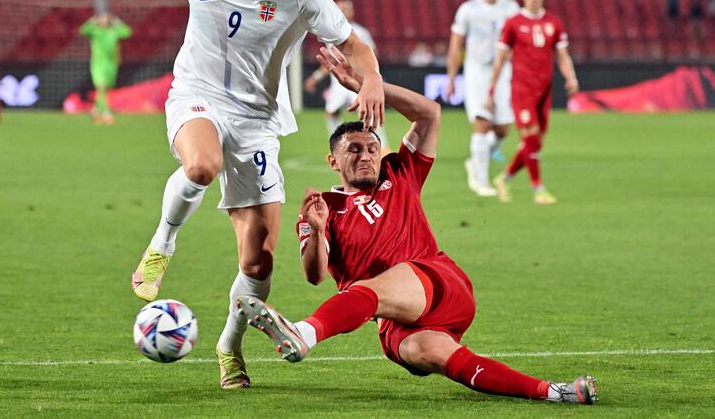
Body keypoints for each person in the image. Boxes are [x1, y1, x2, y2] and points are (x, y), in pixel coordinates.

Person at [83, 0, 385, 389]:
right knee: (201, 166)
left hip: (257, 120)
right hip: (197, 94)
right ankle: (163, 243)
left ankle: (230, 346)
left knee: (258, 261)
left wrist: (372, 80)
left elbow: (355, 44)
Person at [236, 45, 597, 405]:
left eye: (371, 148)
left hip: (438, 282)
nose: (366, 156)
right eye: (354, 150)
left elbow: (430, 114)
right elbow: (315, 276)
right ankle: (555, 392)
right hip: (395, 321)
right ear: (333, 160)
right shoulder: (323, 208)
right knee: (436, 355)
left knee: (371, 288)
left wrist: (366, 84)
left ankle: (303, 332)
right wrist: (315, 229)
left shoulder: (400, 171)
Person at [487, 0, 579, 205]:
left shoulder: (554, 23)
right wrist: (490, 91)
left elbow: (562, 56)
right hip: (521, 90)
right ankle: (538, 189)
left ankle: (504, 178)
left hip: (544, 91)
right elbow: (499, 60)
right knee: (530, 136)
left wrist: (571, 77)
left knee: (535, 142)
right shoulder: (513, 23)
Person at [446, 0, 520, 197]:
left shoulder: (511, 9)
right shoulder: (468, 9)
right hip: (477, 70)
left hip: (503, 70)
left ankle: (476, 161)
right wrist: (451, 77)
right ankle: (481, 180)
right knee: (482, 122)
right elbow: (456, 44)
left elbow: (519, 42)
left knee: (503, 128)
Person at [304, 0, 389, 149]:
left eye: (346, 9)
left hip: (357, 81)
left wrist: (370, 77)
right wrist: (315, 77)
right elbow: (330, 61)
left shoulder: (361, 32)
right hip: (338, 83)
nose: (342, 12)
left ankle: (381, 146)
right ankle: (338, 146)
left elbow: (373, 56)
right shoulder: (331, 33)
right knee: (331, 113)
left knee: (367, 112)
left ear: (352, 12)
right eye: (340, 8)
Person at [78, 13, 132, 124]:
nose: (104, 21)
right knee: (101, 87)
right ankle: (106, 112)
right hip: (98, 65)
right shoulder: (96, 32)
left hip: (111, 65)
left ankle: (95, 110)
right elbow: (83, 30)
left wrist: (117, 22)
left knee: (105, 90)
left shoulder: (113, 32)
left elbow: (127, 32)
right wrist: (92, 20)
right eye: (101, 19)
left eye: (106, 19)